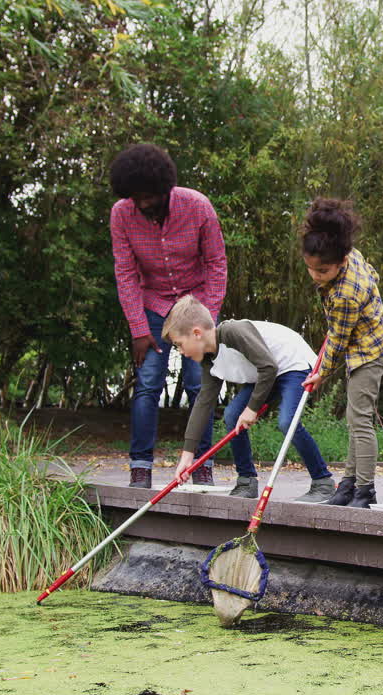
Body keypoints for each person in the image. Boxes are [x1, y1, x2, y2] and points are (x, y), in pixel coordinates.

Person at [111, 143, 227, 489]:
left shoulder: (197, 206)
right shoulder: (121, 213)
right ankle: (141, 468)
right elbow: (126, 272)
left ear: (164, 188)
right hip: (153, 303)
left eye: (149, 196)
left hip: (196, 302)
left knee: (199, 383)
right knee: (147, 384)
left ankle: (202, 467)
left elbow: (216, 264)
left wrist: (207, 321)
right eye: (137, 198)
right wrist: (138, 327)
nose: (143, 204)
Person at [162, 295, 333, 500]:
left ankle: (323, 482)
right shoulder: (209, 361)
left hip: (291, 364)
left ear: (196, 333)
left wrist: (251, 409)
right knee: (233, 415)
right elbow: (203, 403)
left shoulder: (233, 332)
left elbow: (269, 366)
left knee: (288, 422)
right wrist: (187, 456)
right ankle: (246, 481)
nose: (180, 351)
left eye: (179, 344)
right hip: (265, 373)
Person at [299, 198, 383, 509]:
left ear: (340, 262)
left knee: (360, 420)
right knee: (355, 419)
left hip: (370, 350)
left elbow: (338, 340)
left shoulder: (345, 294)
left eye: (322, 270)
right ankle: (348, 485)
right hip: (360, 344)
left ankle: (365, 491)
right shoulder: (348, 254)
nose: (315, 275)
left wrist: (320, 374)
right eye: (310, 267)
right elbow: (373, 274)